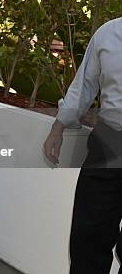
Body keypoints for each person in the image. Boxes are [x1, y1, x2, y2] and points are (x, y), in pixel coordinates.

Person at [43, 16, 122, 274]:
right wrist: (58, 127)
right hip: (109, 144)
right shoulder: (108, 34)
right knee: (88, 235)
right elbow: (84, 85)